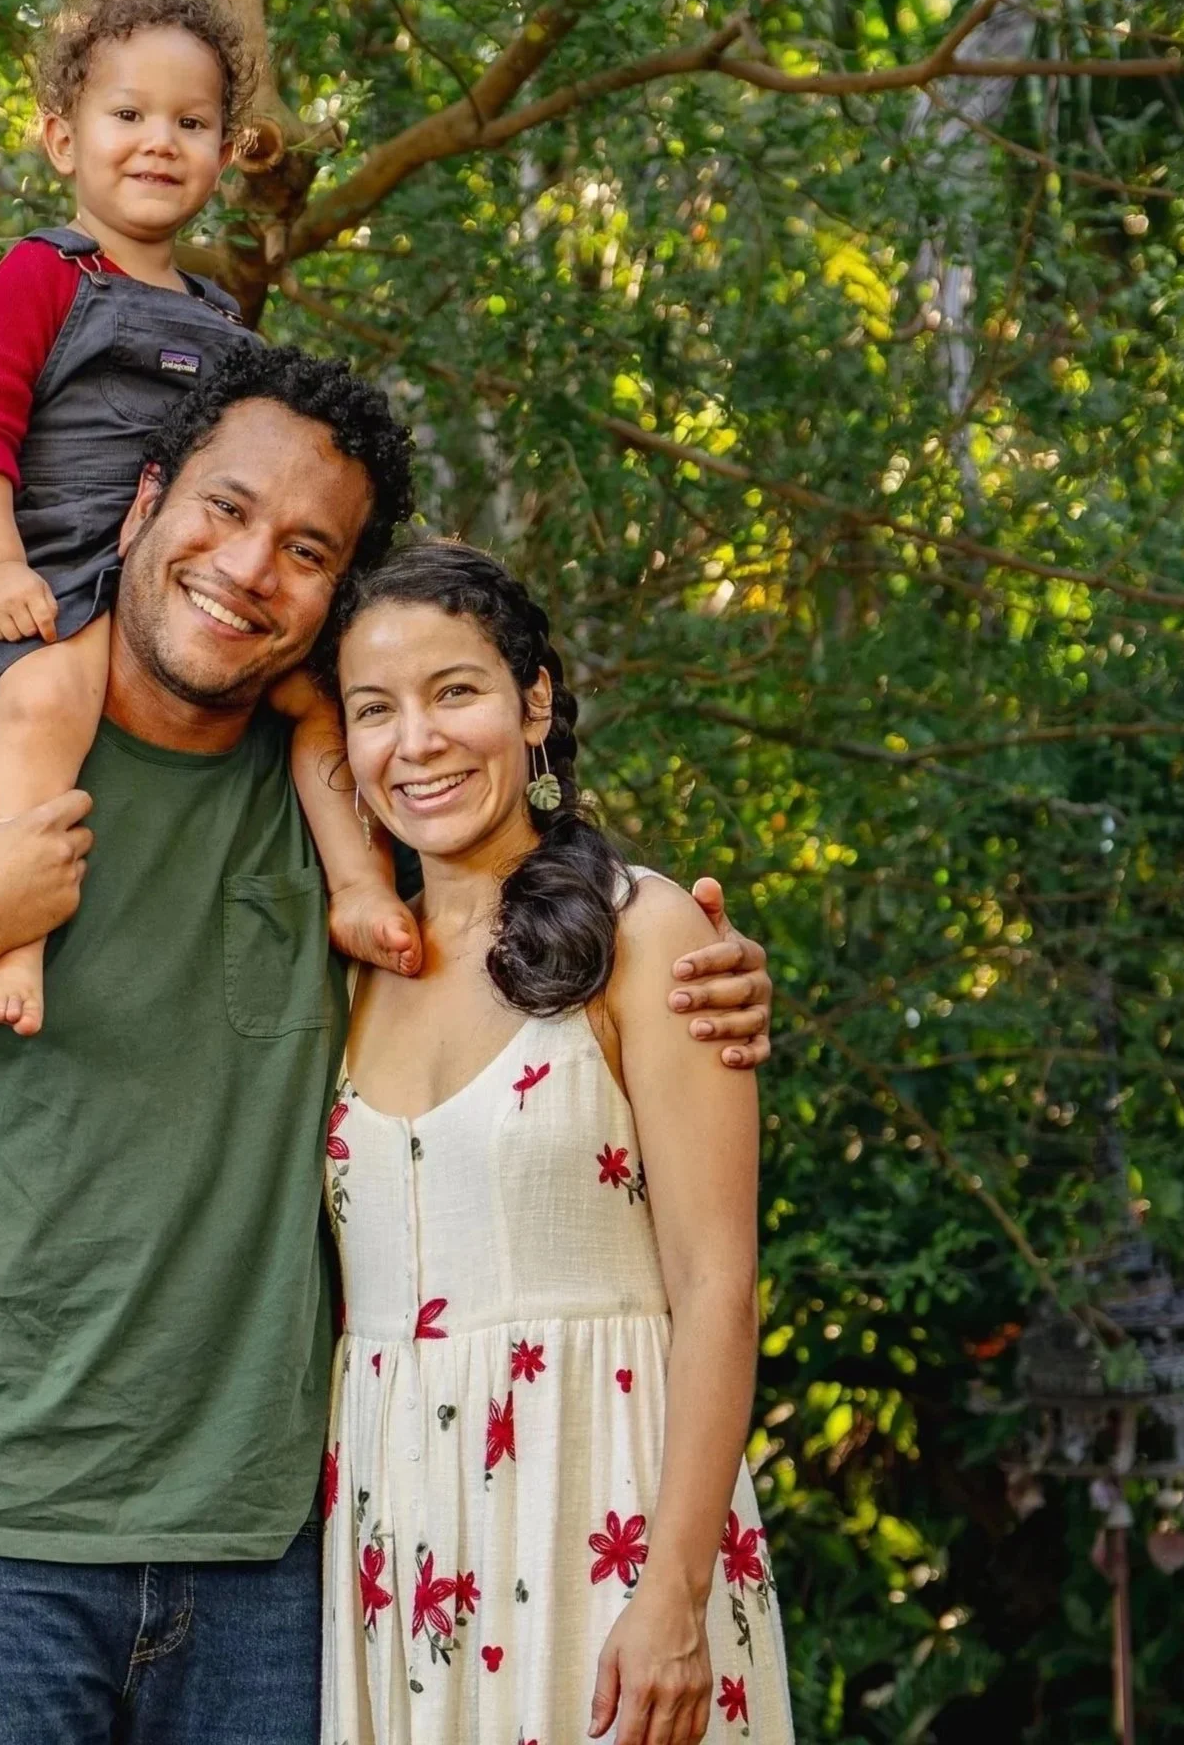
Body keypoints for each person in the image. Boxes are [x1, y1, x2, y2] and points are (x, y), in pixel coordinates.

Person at [0, 349, 776, 1745]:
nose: (249, 566)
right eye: (223, 507)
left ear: (334, 602)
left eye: (308, 551)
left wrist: (706, 968)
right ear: (143, 500)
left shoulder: (350, 821)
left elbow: (526, 936)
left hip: (281, 1559)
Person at [316, 541, 793, 1745]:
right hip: (397, 1542)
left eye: (454, 690)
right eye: (374, 708)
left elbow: (717, 1284)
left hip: (605, 1517)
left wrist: (673, 1590)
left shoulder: (645, 932)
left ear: (533, 702)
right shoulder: (350, 967)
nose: (416, 740)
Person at [0, 0, 417, 1037]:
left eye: (190, 123)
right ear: (62, 139)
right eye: (128, 115)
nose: (159, 141)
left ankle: (357, 884)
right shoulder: (38, 278)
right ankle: (10, 929)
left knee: (317, 705)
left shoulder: (225, 322)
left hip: (180, 575)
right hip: (57, 562)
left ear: (228, 152)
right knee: (44, 702)